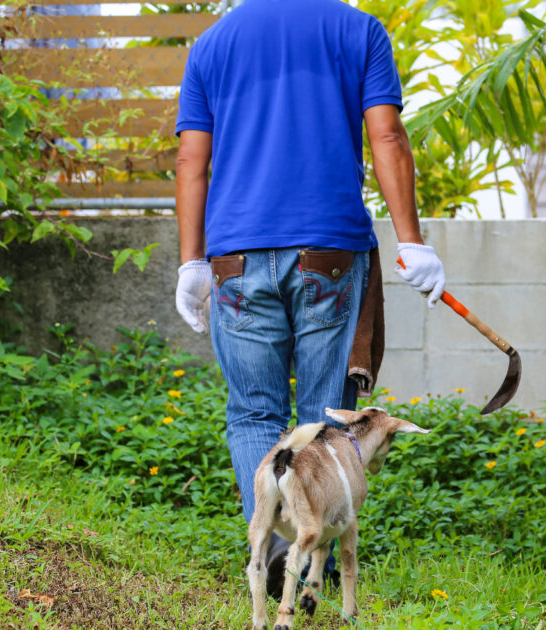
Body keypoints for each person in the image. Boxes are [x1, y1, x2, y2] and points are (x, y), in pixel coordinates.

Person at [171, 0, 444, 598]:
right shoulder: (360, 31)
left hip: (237, 256)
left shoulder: (213, 44)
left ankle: (274, 545)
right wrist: (412, 242)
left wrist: (192, 261)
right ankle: (312, 561)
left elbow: (192, 158)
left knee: (253, 414)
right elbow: (388, 135)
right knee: (326, 414)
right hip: (330, 251)